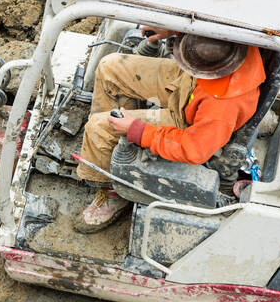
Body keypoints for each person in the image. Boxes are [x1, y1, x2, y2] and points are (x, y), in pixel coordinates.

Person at [74, 29, 266, 232]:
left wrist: (137, 130)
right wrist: (172, 30)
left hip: (188, 121)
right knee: (109, 67)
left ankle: (113, 186)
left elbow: (194, 149)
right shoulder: (235, 40)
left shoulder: (223, 106)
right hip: (190, 83)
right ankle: (107, 148)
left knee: (99, 128)